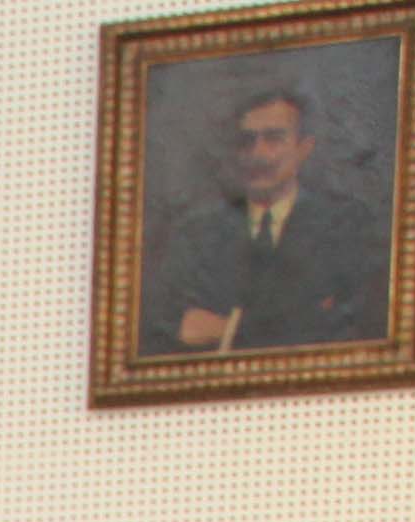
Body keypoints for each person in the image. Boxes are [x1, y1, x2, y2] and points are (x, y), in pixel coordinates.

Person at [143, 83, 388, 353]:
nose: (258, 154)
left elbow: (344, 325)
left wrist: (228, 328)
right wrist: (298, 318)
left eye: (274, 139)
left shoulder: (343, 227)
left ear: (303, 148)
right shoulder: (197, 235)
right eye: (247, 141)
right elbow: (166, 328)